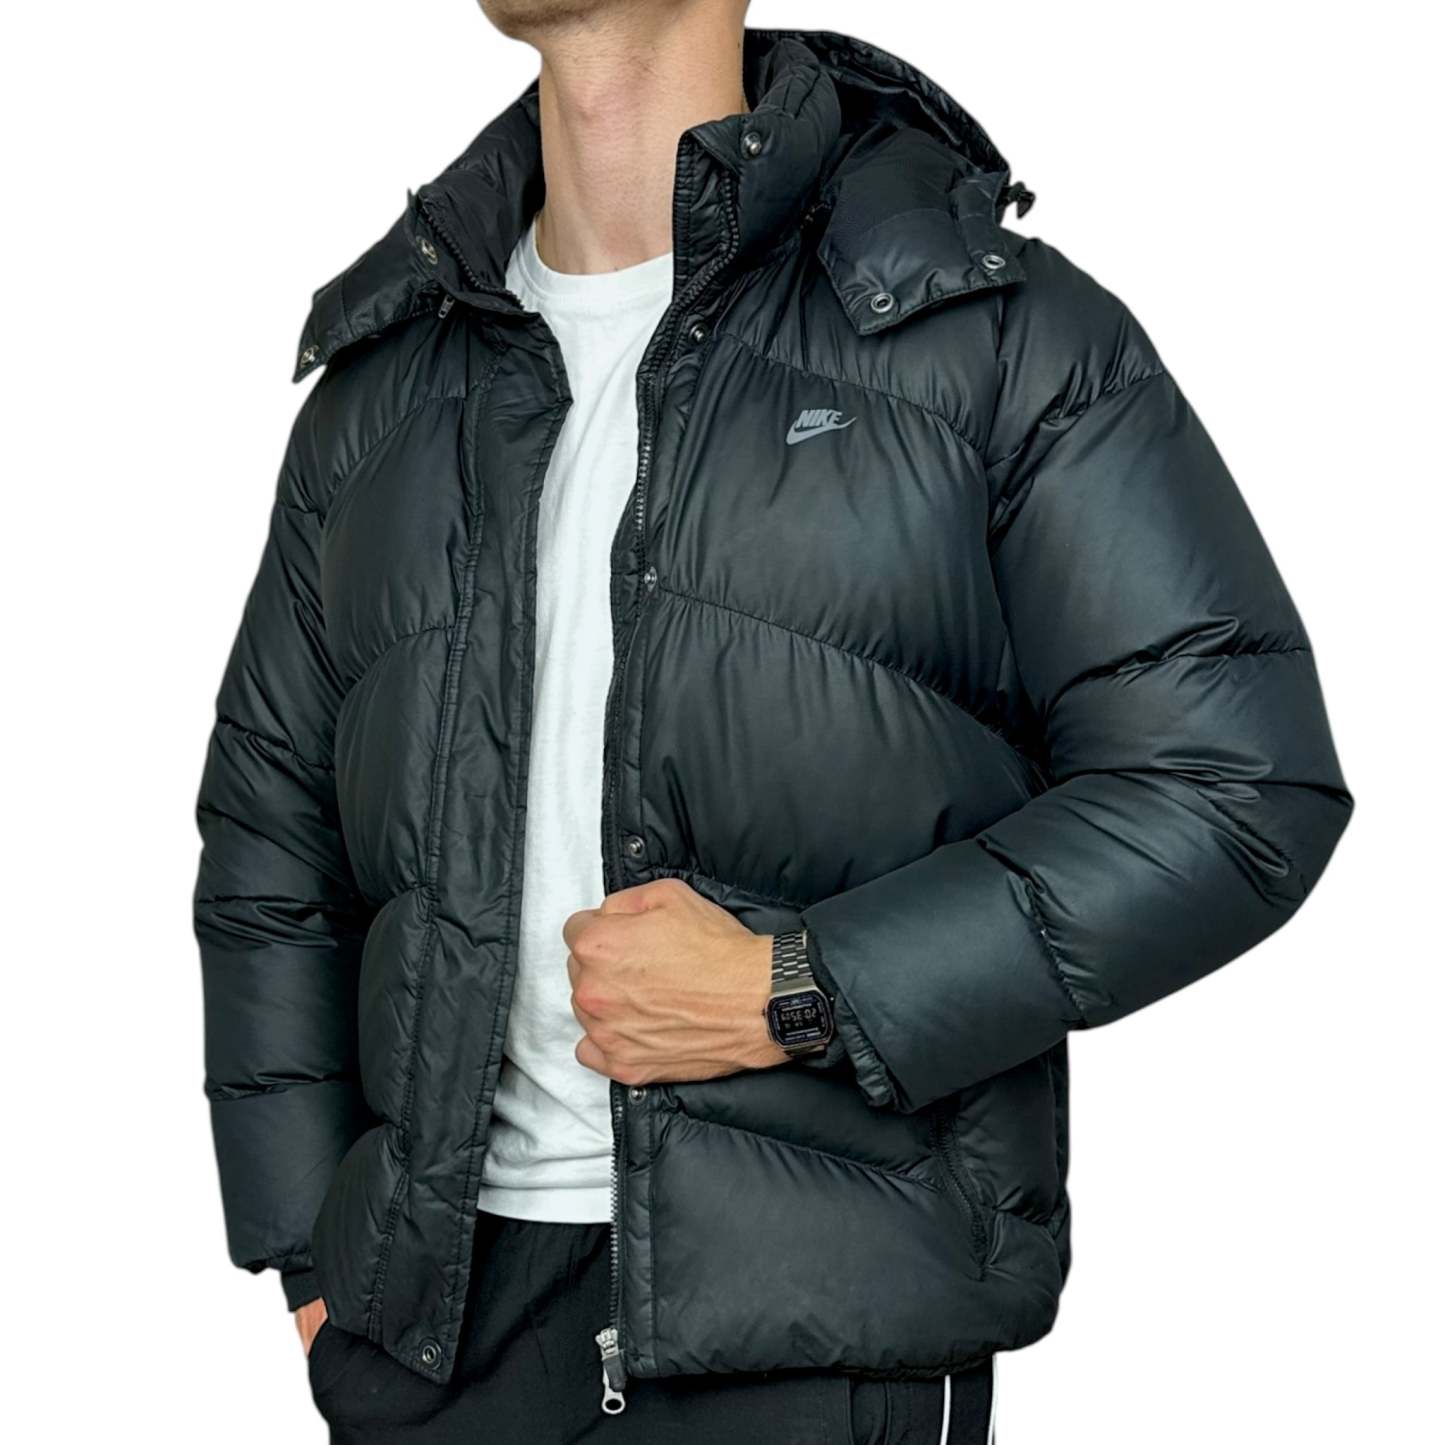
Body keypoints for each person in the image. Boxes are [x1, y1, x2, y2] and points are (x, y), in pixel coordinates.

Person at [192, 3, 1352, 1441]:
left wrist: (800, 989)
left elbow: (1233, 786)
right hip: (432, 1345)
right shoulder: (384, 388)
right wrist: (311, 1261)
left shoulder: (987, 332)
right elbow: (269, 845)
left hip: (813, 1329)